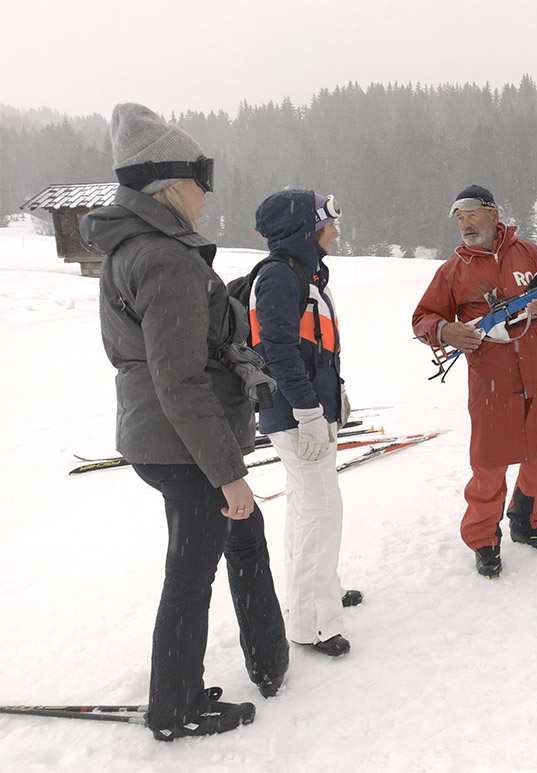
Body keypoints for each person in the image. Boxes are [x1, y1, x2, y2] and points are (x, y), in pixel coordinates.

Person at [79, 103, 287, 741]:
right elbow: (179, 380)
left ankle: (203, 683)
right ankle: (176, 707)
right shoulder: (165, 258)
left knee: (199, 561)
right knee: (190, 575)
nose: (207, 191)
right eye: (202, 178)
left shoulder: (145, 249)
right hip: (184, 445)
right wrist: (229, 475)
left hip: (166, 439)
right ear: (168, 185)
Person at [412, 185, 537, 578]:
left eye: (471, 215)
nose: (465, 225)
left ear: (493, 213)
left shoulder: (531, 253)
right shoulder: (453, 270)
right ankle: (484, 539)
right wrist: (446, 331)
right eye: (459, 218)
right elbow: (423, 318)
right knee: (489, 466)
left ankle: (527, 522)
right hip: (492, 383)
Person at [251, 189, 361, 658]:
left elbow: (316, 348)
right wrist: (309, 411)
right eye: (328, 223)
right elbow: (276, 352)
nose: (336, 230)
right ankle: (312, 624)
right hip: (297, 415)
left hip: (309, 409)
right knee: (320, 511)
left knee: (306, 507)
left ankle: (313, 598)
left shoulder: (304, 274)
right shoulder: (278, 277)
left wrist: (335, 394)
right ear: (305, 229)